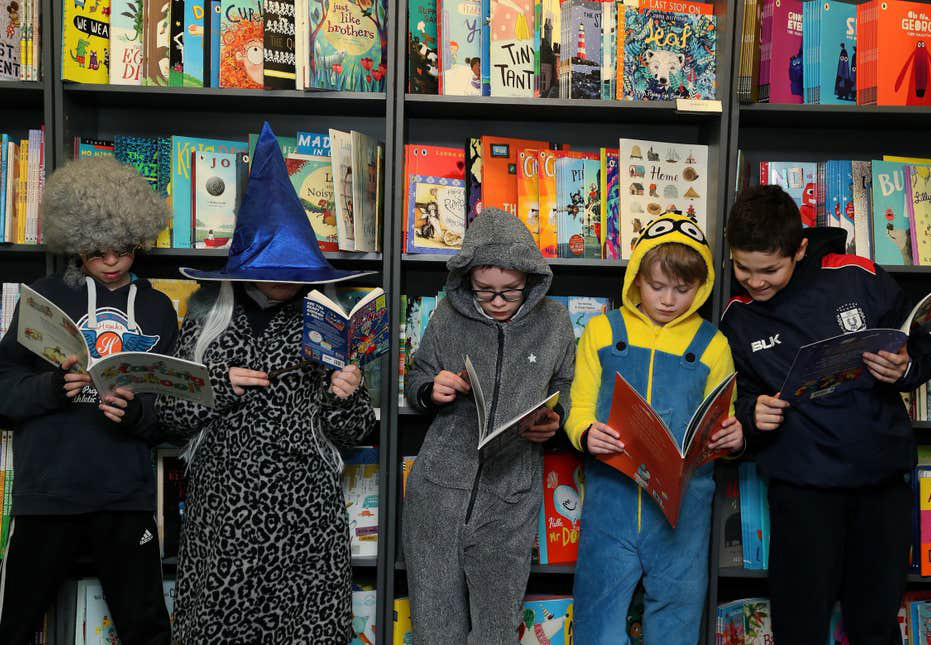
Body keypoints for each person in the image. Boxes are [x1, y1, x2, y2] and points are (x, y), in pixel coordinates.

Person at [155, 123, 376, 643]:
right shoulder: (205, 320)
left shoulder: (326, 320)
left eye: (296, 271)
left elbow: (354, 429)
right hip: (223, 515)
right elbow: (169, 414)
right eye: (273, 268)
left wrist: (347, 395)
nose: (285, 280)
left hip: (304, 515)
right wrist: (218, 383)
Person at [720, 185, 931, 644]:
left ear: (799, 249)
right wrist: (750, 412)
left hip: (879, 483)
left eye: (769, 270)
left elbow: (919, 345)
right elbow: (729, 405)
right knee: (799, 625)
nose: (755, 282)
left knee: (874, 624)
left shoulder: (857, 276)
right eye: (743, 268)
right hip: (802, 492)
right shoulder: (737, 319)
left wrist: (904, 366)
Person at [0, 157, 176, 644]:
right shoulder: (43, 297)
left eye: (123, 249)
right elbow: (4, 386)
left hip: (125, 496)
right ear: (77, 245)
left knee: (147, 630)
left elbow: (174, 412)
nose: (113, 261)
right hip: (47, 497)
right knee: (14, 626)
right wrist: (51, 388)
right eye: (97, 253)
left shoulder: (159, 307)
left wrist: (137, 413)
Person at [565, 211, 743, 644]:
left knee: (677, 621)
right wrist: (587, 433)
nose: (668, 300)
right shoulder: (602, 331)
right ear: (635, 280)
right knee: (597, 619)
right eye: (656, 286)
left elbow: (724, 417)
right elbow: (578, 407)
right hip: (613, 502)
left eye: (683, 290)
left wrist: (733, 439)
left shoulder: (713, 344)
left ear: (700, 287)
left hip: (682, 512)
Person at [402, 208, 575, 644]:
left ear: (531, 281)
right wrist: (431, 388)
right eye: (484, 292)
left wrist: (556, 418)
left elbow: (565, 385)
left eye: (510, 292)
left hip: (510, 497)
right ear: (467, 282)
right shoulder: (446, 316)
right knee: (435, 627)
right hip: (438, 495)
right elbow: (416, 377)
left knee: (497, 630)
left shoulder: (554, 323)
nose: (497, 302)